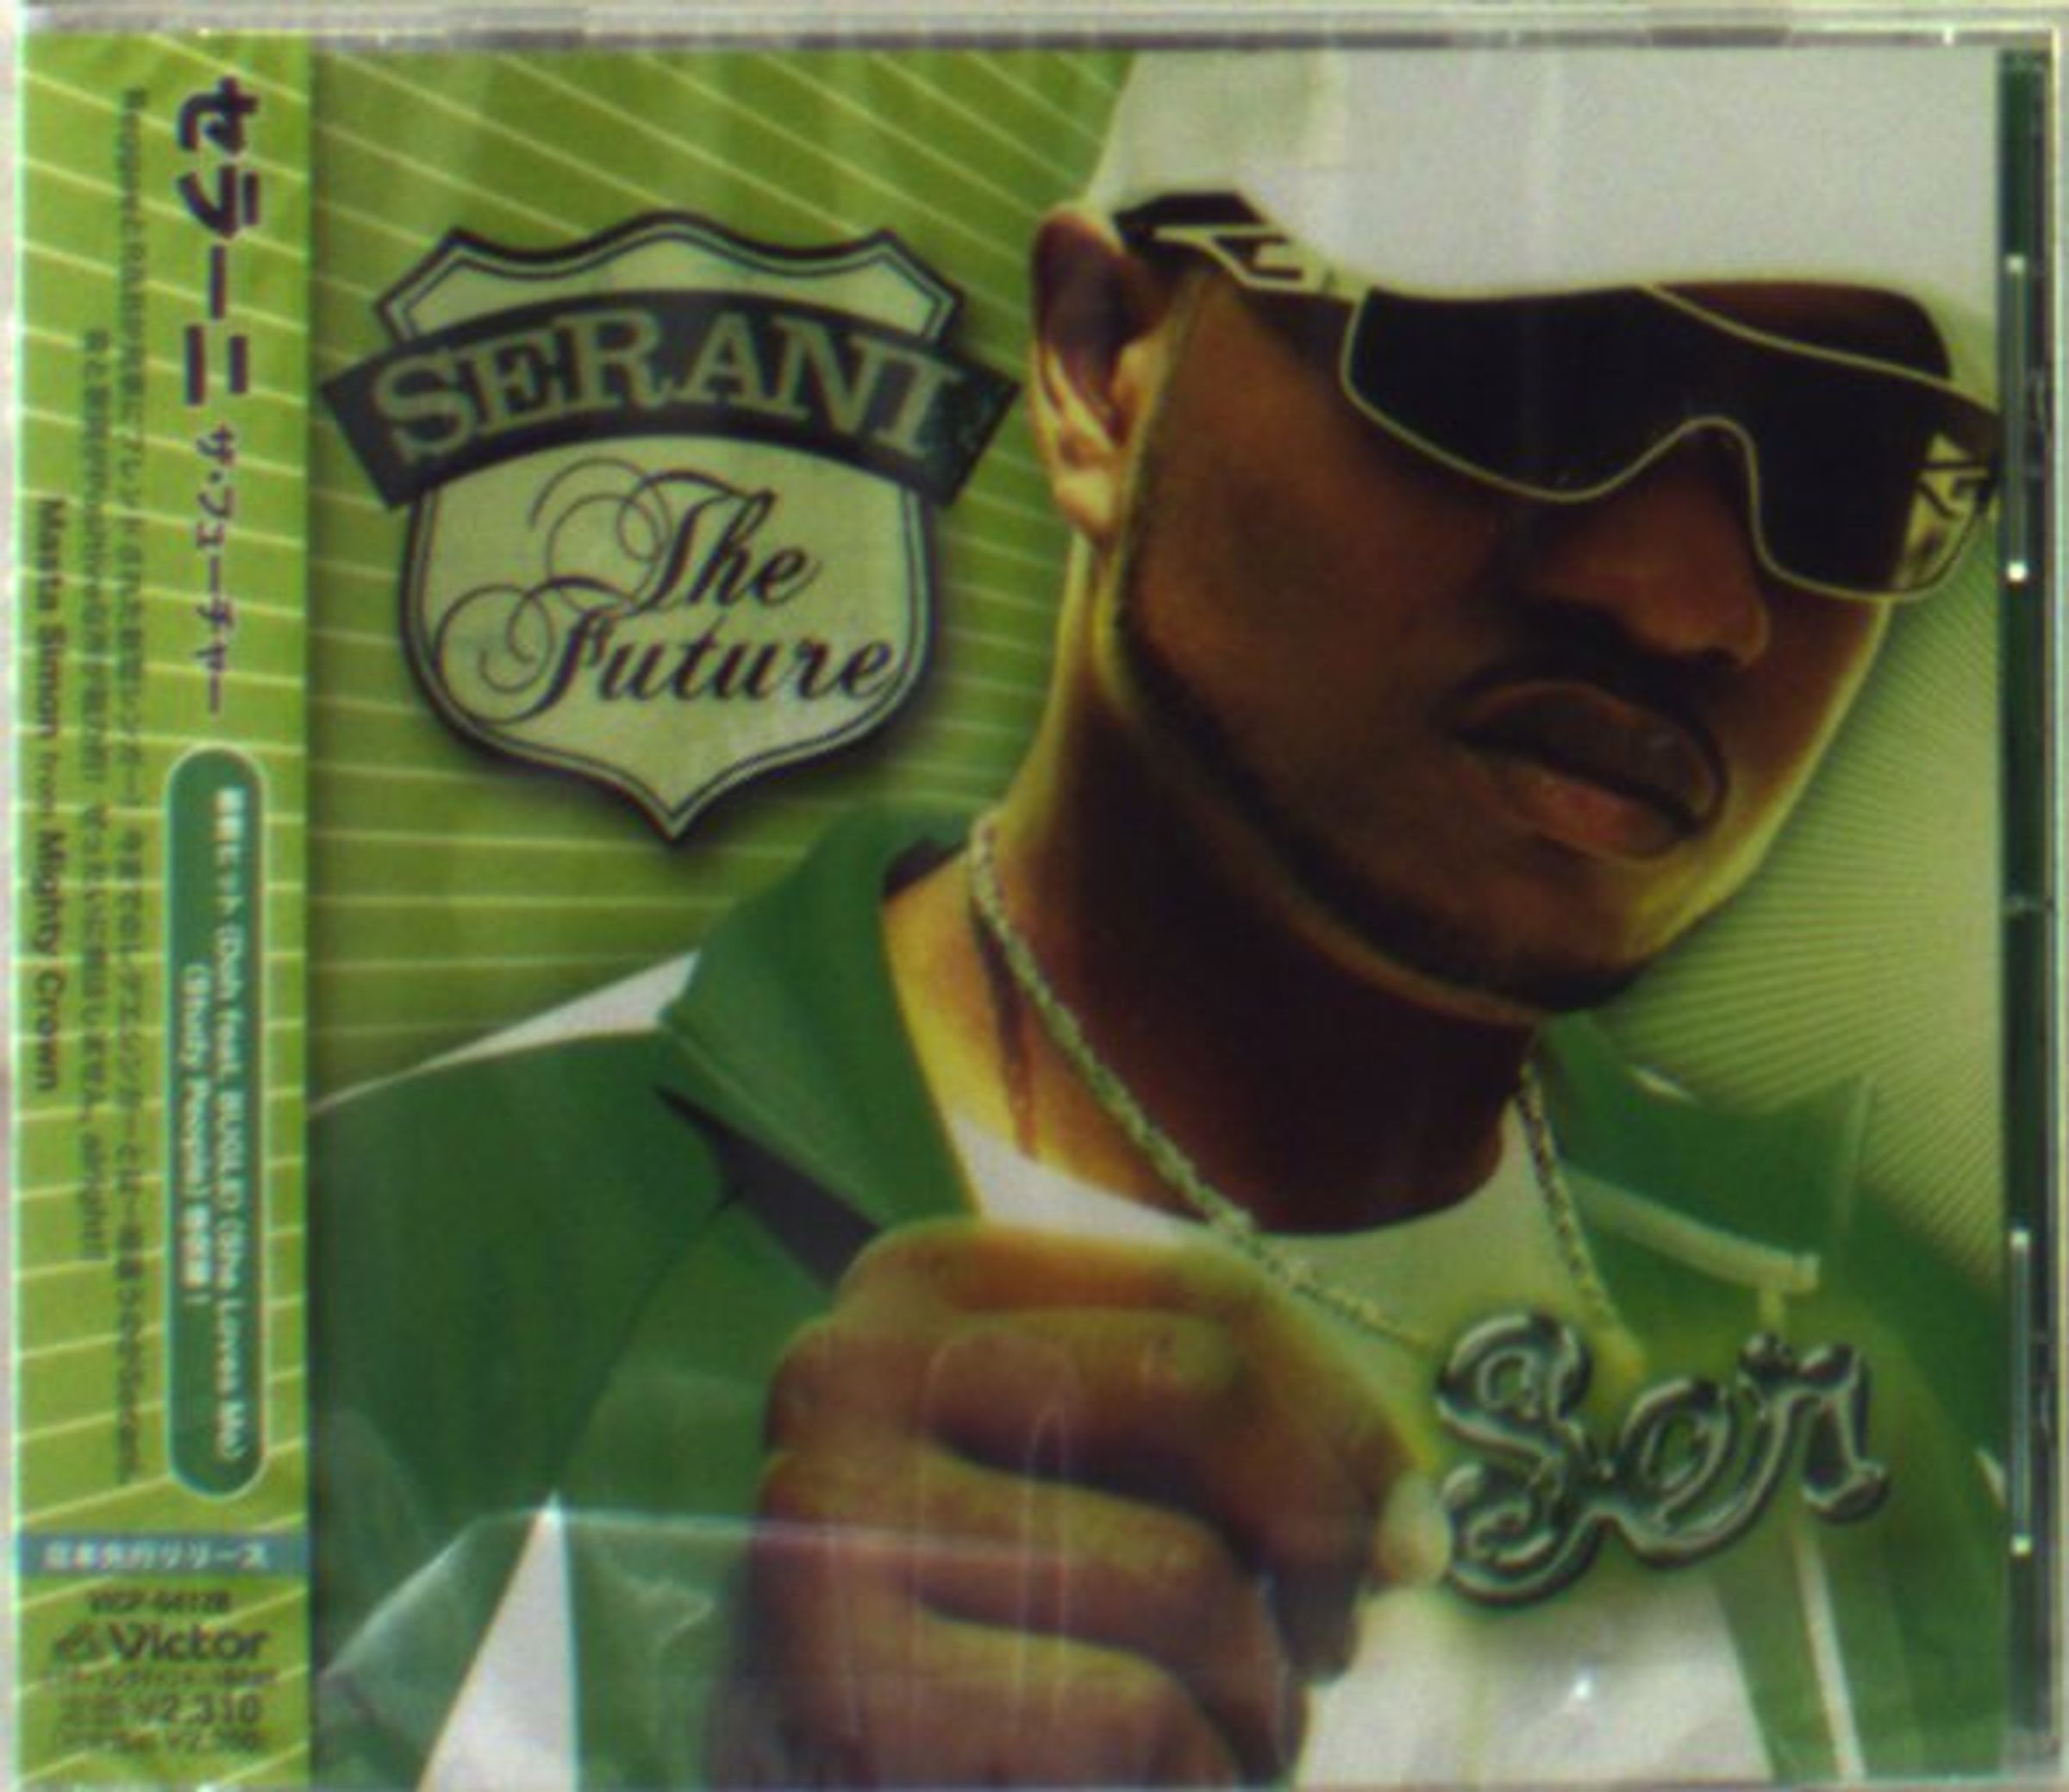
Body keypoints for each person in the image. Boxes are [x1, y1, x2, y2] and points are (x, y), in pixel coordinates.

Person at [312, 46, 2011, 1790]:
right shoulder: (402, 1279)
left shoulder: (1904, 1370)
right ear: (1097, 366)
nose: (1683, 597)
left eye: (1845, 465)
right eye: (1525, 382)